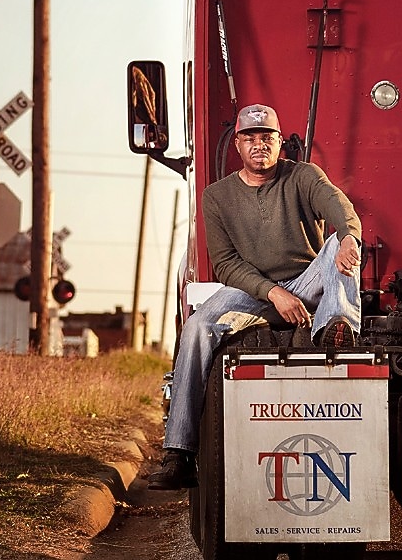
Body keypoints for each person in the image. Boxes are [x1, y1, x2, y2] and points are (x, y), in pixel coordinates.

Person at [148, 103, 363, 490]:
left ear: (281, 143)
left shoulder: (304, 176)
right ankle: (178, 454)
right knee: (197, 327)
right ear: (238, 145)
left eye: (268, 137)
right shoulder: (216, 197)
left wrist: (349, 234)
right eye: (250, 138)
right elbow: (226, 264)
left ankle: (337, 328)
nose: (259, 144)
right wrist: (271, 292)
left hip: (307, 283)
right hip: (252, 291)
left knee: (338, 246)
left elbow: (338, 204)